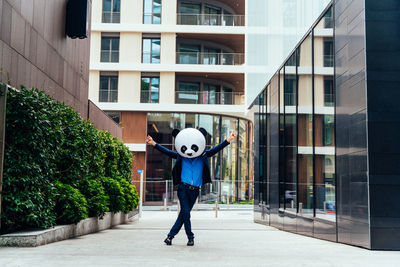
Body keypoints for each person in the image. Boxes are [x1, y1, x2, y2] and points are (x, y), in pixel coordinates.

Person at [146, 128, 237, 246]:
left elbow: (216, 149)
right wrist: (153, 143)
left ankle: (170, 236)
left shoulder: (203, 156)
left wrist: (229, 139)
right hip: (183, 189)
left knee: (184, 214)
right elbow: (167, 152)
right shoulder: (181, 157)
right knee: (186, 213)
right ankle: (190, 237)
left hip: (195, 191)